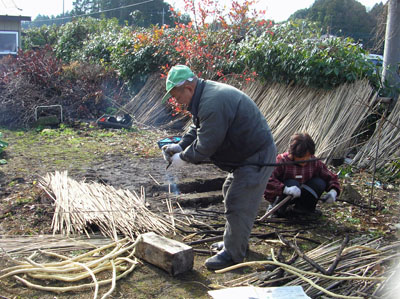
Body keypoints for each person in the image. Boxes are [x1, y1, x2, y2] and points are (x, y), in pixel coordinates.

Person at [161, 65, 276, 270]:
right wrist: (181, 144)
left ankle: (233, 255)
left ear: (188, 88)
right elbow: (198, 127)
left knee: (238, 200)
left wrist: (183, 157)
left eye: (177, 96)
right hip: (244, 155)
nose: (177, 101)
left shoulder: (212, 102)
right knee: (229, 191)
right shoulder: (204, 96)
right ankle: (235, 242)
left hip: (256, 156)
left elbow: (206, 145)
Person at [264, 133, 340, 217]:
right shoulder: (282, 160)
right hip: (283, 197)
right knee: (292, 182)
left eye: (307, 156)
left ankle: (303, 210)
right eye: (301, 157)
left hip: (303, 196)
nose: (305, 160)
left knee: (319, 182)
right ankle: (278, 211)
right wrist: (284, 189)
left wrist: (333, 191)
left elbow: (330, 177)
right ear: (293, 153)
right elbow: (267, 179)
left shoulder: (313, 162)